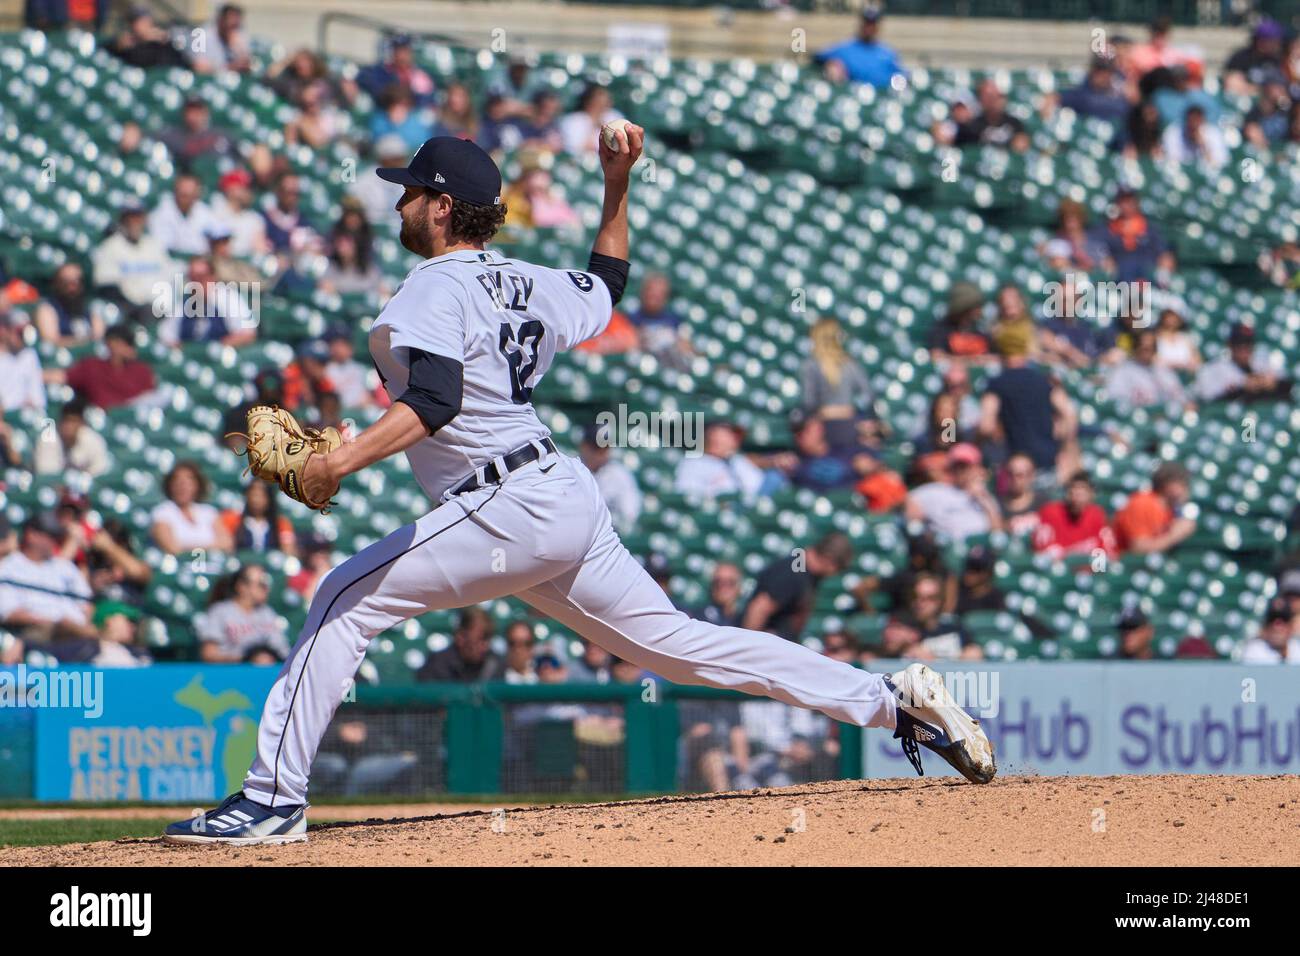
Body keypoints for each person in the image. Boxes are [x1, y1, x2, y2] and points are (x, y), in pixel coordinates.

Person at [165, 132, 993, 845]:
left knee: (343, 598)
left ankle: (272, 801)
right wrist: (617, 185)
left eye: (413, 194)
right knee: (675, 644)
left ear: (444, 207)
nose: (400, 208)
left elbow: (436, 401)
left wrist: (334, 465)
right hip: (557, 493)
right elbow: (609, 279)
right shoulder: (528, 281)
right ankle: (890, 701)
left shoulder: (434, 285)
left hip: (508, 506)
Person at [979, 328, 1077, 480]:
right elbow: (1069, 414)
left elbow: (986, 426)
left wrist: (976, 444)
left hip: (1016, 467)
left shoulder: (997, 384)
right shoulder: (1044, 380)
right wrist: (1063, 447)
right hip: (1048, 462)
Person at [0, 513, 96, 645]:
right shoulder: (9, 567)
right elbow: (8, 613)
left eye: (56, 537)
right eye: (50, 536)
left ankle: (99, 639)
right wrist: (52, 621)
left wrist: (82, 623)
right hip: (36, 633)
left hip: (76, 631)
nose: (54, 541)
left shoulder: (65, 566)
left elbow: (87, 604)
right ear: (31, 535)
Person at [741, 532, 853, 642]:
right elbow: (759, 609)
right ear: (829, 560)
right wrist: (749, 646)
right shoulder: (793, 572)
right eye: (839, 568)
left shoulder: (806, 572)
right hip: (764, 647)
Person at [904, 443, 1002, 542]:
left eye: (965, 466)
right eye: (956, 466)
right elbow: (911, 501)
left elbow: (998, 534)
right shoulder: (936, 490)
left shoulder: (986, 497)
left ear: (977, 468)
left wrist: (983, 499)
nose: (960, 471)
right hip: (947, 547)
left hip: (980, 547)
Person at [91, 201, 174, 317]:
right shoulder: (110, 247)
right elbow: (107, 286)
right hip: (126, 311)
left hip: (157, 309)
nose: (134, 222)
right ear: (122, 220)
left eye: (138, 217)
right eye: (130, 218)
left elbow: (170, 278)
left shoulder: (154, 245)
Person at [196, 565, 290, 662]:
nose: (266, 589)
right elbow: (208, 654)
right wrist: (247, 659)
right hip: (233, 672)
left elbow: (283, 652)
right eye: (261, 585)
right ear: (241, 586)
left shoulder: (267, 612)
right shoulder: (220, 611)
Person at [880, 573, 980, 661]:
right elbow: (887, 651)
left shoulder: (955, 628)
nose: (920, 603)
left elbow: (973, 652)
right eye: (916, 597)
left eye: (929, 598)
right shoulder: (902, 626)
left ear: (940, 600)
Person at [57, 325, 156, 409]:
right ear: (112, 343)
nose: (132, 348)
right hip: (99, 421)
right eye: (128, 343)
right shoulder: (92, 367)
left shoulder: (142, 371)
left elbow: (150, 399)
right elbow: (62, 376)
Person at [1092, 186, 1175, 285]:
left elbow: (1165, 255)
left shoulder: (1150, 228)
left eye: (1131, 200)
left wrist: (1164, 268)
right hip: (1121, 279)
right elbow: (1100, 252)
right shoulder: (1108, 229)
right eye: (1124, 201)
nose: (1128, 205)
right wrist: (1106, 261)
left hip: (1147, 276)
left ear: (1137, 202)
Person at [1192, 322, 1291, 403]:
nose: (1244, 349)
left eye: (1248, 344)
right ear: (1230, 345)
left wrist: (1272, 383)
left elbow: (1286, 382)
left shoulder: (1262, 362)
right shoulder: (1217, 367)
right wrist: (1242, 385)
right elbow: (1206, 395)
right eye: (1239, 344)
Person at [150, 461, 234, 556]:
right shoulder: (162, 512)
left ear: (197, 486)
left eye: (188, 482)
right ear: (170, 486)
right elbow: (172, 548)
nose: (183, 487)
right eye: (178, 482)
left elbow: (227, 543)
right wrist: (211, 547)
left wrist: (188, 547)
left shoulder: (209, 512)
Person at [800, 317, 872, 423]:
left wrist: (828, 411)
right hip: (849, 424)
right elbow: (868, 395)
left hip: (823, 426)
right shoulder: (850, 364)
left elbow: (808, 402)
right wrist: (849, 408)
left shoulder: (810, 365)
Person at [1113, 462, 1196, 555]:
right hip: (1116, 560)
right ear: (1169, 484)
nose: (1187, 489)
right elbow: (1138, 548)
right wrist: (1174, 535)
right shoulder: (1143, 503)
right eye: (1183, 484)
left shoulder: (1171, 509)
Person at [1033, 472, 1117, 561]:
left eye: (1081, 493)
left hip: (1090, 572)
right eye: (1072, 491)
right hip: (1059, 571)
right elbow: (1042, 556)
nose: (1076, 498)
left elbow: (1108, 557)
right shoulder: (1050, 513)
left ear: (1091, 495)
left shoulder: (1097, 515)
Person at [814, 8, 904, 89]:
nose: (869, 28)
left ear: (878, 26)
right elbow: (817, 57)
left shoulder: (888, 53)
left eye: (872, 24)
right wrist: (832, 65)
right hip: (852, 97)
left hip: (881, 98)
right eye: (867, 23)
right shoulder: (845, 48)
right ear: (861, 24)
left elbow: (901, 76)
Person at [674, 420, 764, 500]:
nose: (736, 439)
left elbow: (757, 489)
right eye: (732, 434)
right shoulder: (693, 462)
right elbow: (688, 496)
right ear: (713, 433)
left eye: (738, 436)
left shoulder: (737, 461)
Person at [578, 422, 641, 533]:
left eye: (605, 447)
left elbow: (630, 514)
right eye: (596, 447)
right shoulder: (572, 470)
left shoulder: (619, 474)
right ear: (584, 446)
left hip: (610, 534)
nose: (602, 453)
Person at [416, 607, 503, 682]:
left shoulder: (495, 664)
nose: (485, 647)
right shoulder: (437, 665)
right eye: (482, 638)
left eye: (488, 639)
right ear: (461, 637)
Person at [1105, 330, 1187, 409]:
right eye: (1144, 347)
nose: (1147, 351)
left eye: (1151, 347)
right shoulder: (1122, 372)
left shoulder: (1163, 372)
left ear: (1155, 350)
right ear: (1135, 347)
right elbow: (1116, 401)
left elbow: (1180, 397)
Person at [627, 272, 691, 370]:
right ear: (643, 293)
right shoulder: (630, 319)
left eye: (659, 293)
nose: (654, 297)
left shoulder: (674, 320)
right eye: (651, 292)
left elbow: (686, 348)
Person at [33, 398, 110, 478]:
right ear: (59, 422)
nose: (68, 426)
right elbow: (47, 477)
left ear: (82, 423)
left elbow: (100, 474)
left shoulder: (93, 440)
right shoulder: (48, 438)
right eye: (66, 421)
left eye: (73, 421)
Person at [33, 263, 104, 346]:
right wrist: (85, 341)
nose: (71, 288)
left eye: (76, 282)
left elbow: (98, 337)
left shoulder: (91, 308)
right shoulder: (47, 308)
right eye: (65, 283)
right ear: (57, 284)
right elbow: (52, 341)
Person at [159, 98, 237, 172]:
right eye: (190, 112)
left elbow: (245, 153)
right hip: (193, 179)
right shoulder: (174, 136)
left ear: (205, 112)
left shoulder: (222, 134)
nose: (193, 116)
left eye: (197, 112)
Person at [149, 173, 217, 257]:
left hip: (201, 264)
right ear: (176, 192)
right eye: (183, 194)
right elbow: (162, 248)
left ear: (197, 193)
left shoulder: (205, 212)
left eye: (190, 194)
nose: (186, 197)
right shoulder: (161, 213)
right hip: (172, 264)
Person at [952, 78, 1029, 152]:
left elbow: (1022, 147)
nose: (992, 101)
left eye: (996, 96)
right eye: (987, 97)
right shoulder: (973, 126)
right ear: (980, 99)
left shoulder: (1014, 123)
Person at [221, 481, 297, 556]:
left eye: (261, 496)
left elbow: (288, 551)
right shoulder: (233, 519)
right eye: (253, 495)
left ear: (269, 498)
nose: (256, 500)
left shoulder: (281, 523)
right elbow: (227, 547)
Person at [209, 169, 269, 259]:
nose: (249, 192)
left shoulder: (255, 219)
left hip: (244, 267)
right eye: (246, 187)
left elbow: (260, 249)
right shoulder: (215, 212)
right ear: (231, 189)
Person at [927, 282, 993, 364]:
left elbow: (998, 358)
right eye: (976, 306)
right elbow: (936, 357)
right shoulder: (942, 328)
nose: (980, 311)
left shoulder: (982, 328)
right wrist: (969, 361)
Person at [0, 308, 45, 413]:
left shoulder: (29, 355)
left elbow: (38, 399)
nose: (23, 337)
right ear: (4, 330)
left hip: (27, 415)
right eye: (19, 332)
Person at [558, 84, 622, 157]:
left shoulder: (614, 117)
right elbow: (573, 149)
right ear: (588, 101)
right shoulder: (573, 120)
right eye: (598, 102)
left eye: (605, 102)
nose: (601, 106)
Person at [1161, 104, 1228, 170]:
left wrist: (1203, 146)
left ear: (1203, 122)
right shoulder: (1172, 133)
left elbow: (1218, 164)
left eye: (1197, 122)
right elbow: (1172, 161)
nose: (1194, 125)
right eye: (1191, 121)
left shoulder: (1214, 134)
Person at [192, 3, 250, 74]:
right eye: (231, 25)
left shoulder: (238, 38)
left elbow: (246, 65)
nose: (233, 30)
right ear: (221, 21)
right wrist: (229, 67)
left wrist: (238, 49)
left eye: (236, 26)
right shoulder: (203, 36)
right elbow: (199, 67)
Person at [999, 453, 1046, 537]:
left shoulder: (1043, 502)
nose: (1014, 479)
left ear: (1031, 476)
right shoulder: (997, 505)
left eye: (1020, 475)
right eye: (1010, 474)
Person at [1240, 599, 1299, 664]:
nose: (1277, 627)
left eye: (1284, 621)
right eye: (1271, 620)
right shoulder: (1254, 650)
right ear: (1265, 626)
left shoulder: (1297, 648)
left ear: (1291, 626)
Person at [698, 562, 744, 628]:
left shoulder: (746, 621)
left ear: (739, 588)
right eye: (718, 582)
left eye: (730, 582)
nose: (722, 587)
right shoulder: (699, 618)